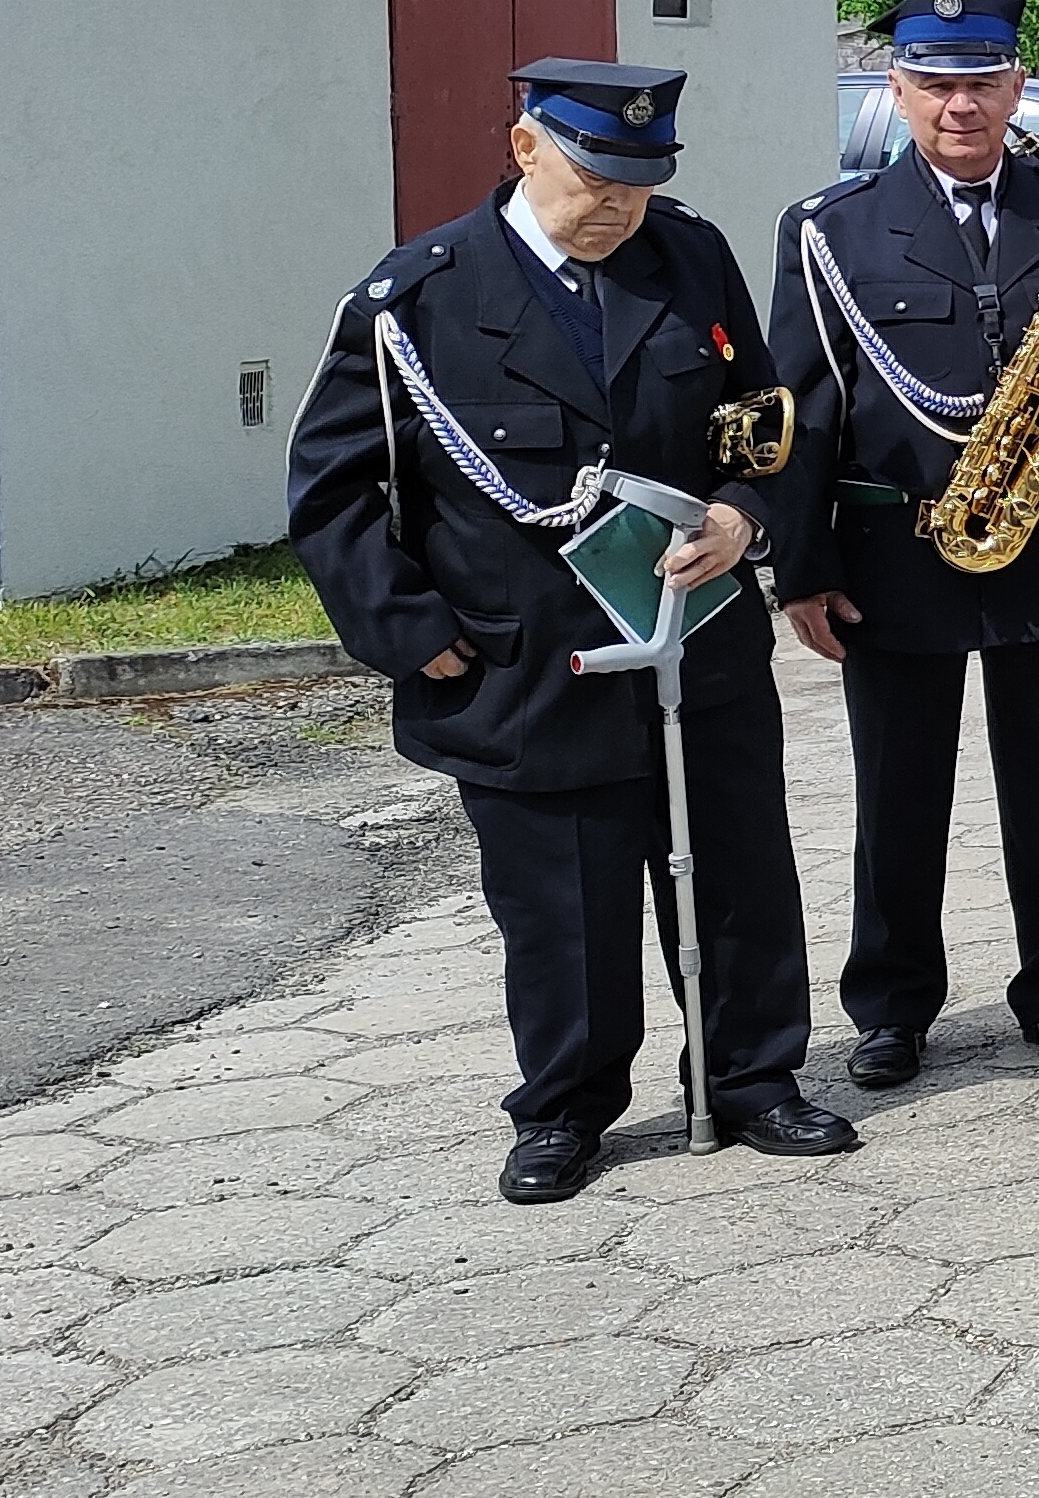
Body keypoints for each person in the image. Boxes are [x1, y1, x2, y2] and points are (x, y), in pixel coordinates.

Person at [286, 61, 854, 1202]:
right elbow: (332, 488)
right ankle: (564, 1109)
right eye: (597, 181)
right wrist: (406, 627)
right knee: (563, 908)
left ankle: (752, 1078)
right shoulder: (417, 298)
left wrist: (743, 517)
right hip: (528, 662)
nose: (618, 209)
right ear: (525, 148)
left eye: (640, 187)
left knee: (737, 875)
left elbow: (763, 426)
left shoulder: (688, 257)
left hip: (692, 639)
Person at [770, 0, 1039, 1086]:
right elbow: (802, 410)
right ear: (897, 90)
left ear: (1016, 86)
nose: (961, 106)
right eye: (936, 84)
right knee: (898, 795)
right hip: (896, 554)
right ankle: (893, 1008)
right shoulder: (830, 228)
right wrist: (801, 567)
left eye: (982, 83)